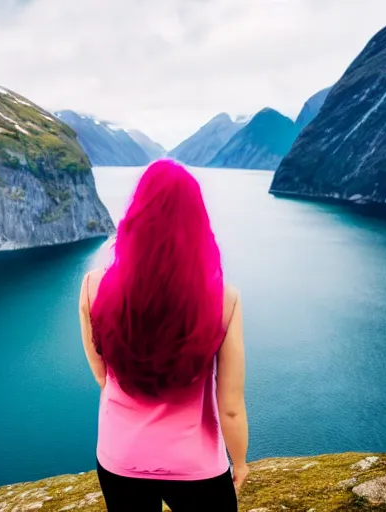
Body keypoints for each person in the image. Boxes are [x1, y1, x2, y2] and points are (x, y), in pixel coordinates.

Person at [78, 159, 249, 512]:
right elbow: (229, 405)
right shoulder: (223, 300)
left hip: (120, 458)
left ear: (136, 218)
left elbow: (102, 374)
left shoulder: (94, 286)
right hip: (196, 465)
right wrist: (241, 461)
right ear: (196, 223)